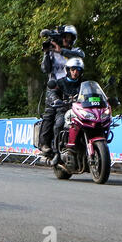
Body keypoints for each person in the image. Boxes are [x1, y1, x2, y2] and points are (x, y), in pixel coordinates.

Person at [39, 25, 85, 155]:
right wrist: (47, 53)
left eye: (70, 38)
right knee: (51, 114)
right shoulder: (52, 52)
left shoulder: (75, 51)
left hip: (73, 86)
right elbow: (45, 69)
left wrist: (61, 51)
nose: (67, 40)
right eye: (65, 37)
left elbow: (81, 55)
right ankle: (46, 145)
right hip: (55, 86)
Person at [47, 57, 84, 165]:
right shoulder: (60, 82)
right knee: (59, 124)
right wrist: (56, 99)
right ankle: (56, 153)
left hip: (81, 110)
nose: (75, 72)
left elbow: (92, 92)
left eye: (78, 70)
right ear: (68, 70)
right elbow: (52, 92)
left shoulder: (83, 82)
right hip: (64, 109)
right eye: (73, 69)